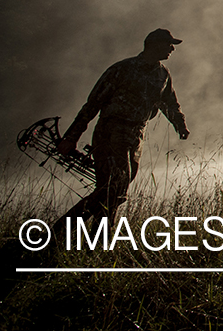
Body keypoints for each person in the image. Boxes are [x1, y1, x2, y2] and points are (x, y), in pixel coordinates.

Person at [53, 28, 190, 238]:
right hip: (111, 131)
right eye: (168, 44)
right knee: (114, 188)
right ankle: (58, 232)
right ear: (153, 45)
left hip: (136, 137)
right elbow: (92, 105)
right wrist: (71, 138)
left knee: (112, 192)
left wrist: (180, 125)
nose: (172, 48)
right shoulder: (122, 69)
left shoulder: (162, 74)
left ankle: (100, 243)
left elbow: (169, 103)